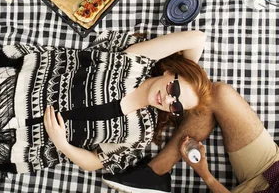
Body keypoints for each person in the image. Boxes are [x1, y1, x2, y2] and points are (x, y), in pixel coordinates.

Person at [0, 30, 212, 175]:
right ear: (170, 70)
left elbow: (96, 162)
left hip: (15, 145)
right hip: (5, 95)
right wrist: (195, 77)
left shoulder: (140, 132)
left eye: (177, 106)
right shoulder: (134, 62)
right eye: (174, 89)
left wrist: (62, 144)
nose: (169, 100)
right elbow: (198, 39)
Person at [106, 82, 278, 192]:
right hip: (271, 167)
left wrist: (205, 174)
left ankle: (152, 176)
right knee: (216, 94)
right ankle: (155, 173)